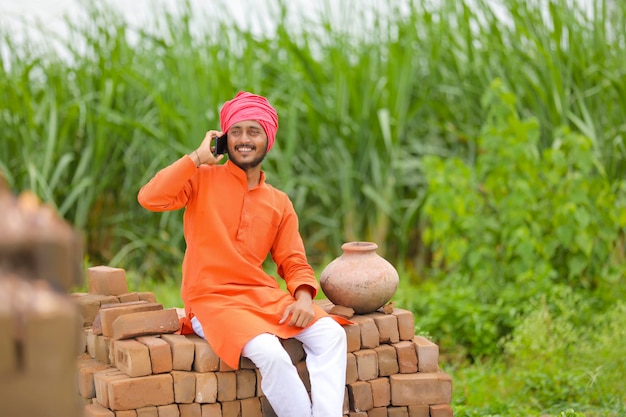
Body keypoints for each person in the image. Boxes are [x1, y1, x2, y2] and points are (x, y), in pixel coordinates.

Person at [138, 91, 349, 417]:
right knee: (271, 352)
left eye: (254, 131)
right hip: (211, 300)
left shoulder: (278, 201)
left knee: (331, 334)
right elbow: (150, 197)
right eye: (235, 131)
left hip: (260, 297)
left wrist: (305, 297)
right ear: (224, 138)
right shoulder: (200, 180)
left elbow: (292, 259)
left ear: (268, 139)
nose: (244, 139)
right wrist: (196, 157)